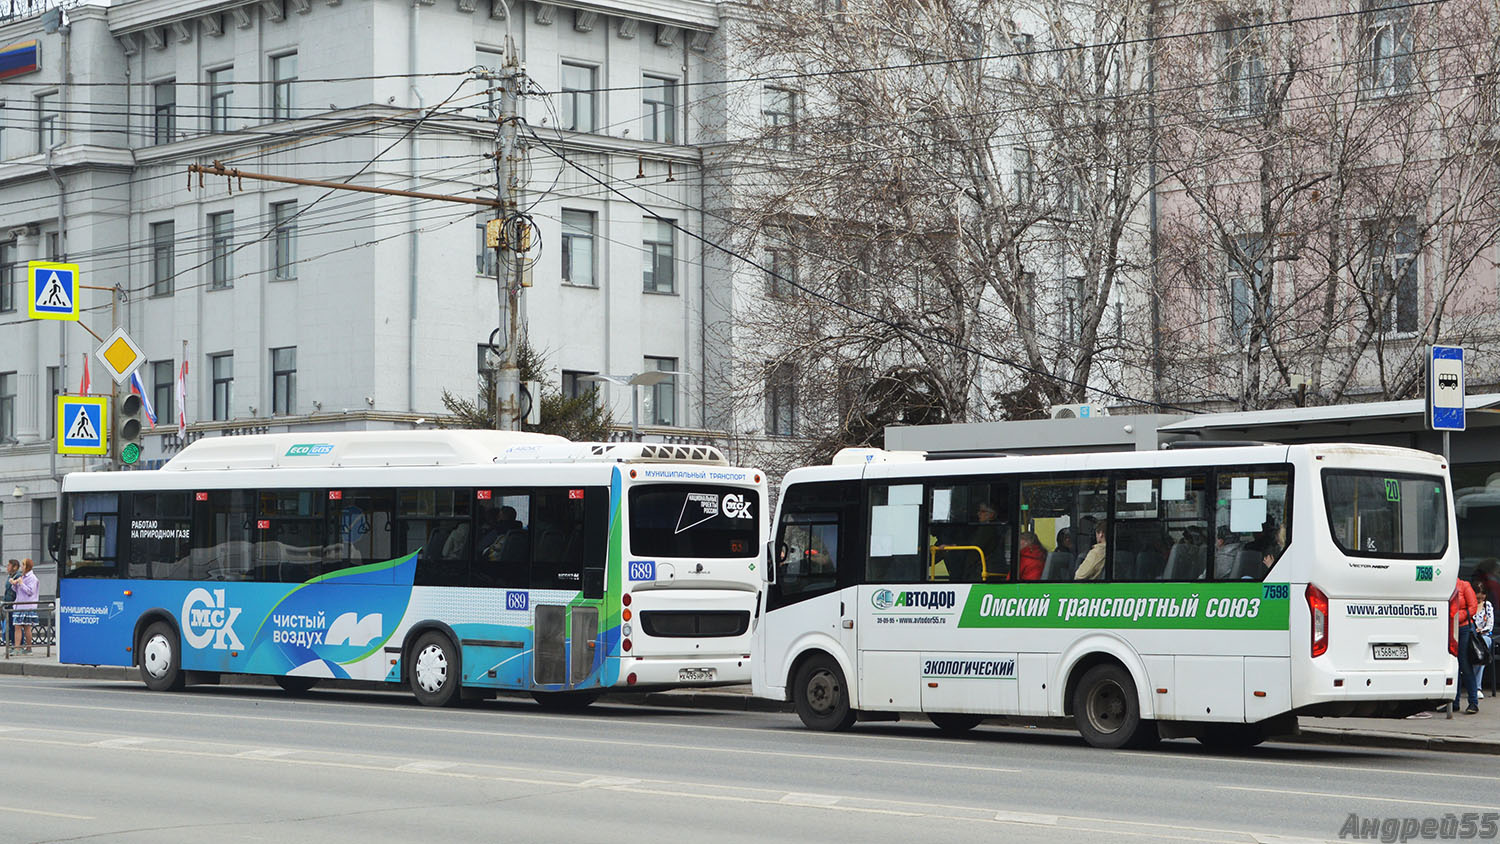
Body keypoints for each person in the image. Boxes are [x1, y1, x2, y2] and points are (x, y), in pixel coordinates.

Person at [1452, 576, 1480, 714]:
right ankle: (1453, 702)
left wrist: (1457, 616)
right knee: (1453, 665)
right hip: (1450, 629)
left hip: (1463, 629)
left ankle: (1473, 702)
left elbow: (1473, 607)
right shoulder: (1446, 586)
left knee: (1465, 664)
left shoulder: (1464, 586)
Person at [10, 559, 38, 654]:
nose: (21, 567)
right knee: (18, 626)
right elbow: (18, 591)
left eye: (23, 565)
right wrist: (14, 584)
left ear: (27, 566)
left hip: (27, 606)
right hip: (19, 605)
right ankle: (18, 648)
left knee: (26, 627)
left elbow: (30, 592)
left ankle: (27, 648)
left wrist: (21, 583)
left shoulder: (32, 578)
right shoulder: (22, 576)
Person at [1476, 581, 1495, 698]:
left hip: (1483, 635)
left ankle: (1477, 687)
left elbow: (1490, 625)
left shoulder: (1487, 606)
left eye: (1482, 594)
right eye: (1478, 594)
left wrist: (1481, 630)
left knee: (1481, 650)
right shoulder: (1470, 604)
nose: (1480, 597)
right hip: (1470, 634)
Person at [1, 559, 16, 646]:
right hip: (8, 603)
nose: (7, 567)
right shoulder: (10, 576)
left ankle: (16, 644)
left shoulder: (16, 576)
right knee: (10, 625)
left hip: (13, 604)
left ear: (14, 567)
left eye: (9, 566)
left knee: (14, 625)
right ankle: (12, 643)